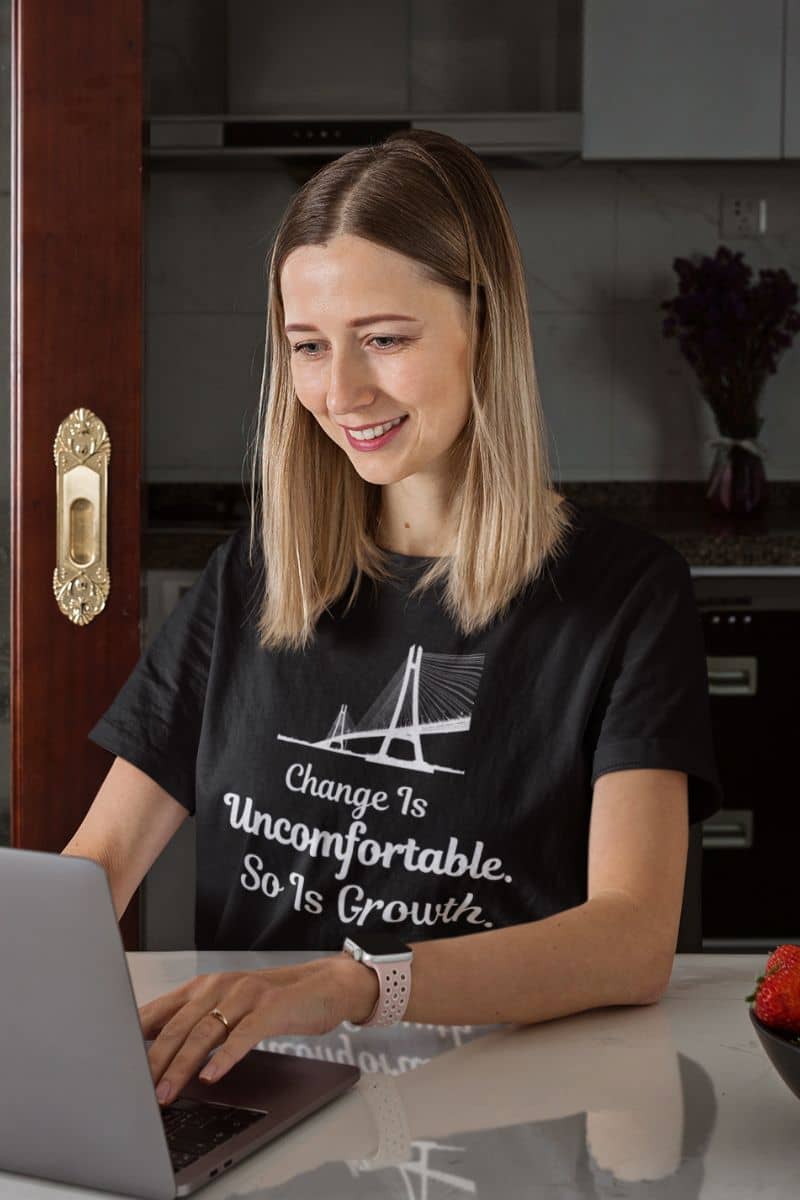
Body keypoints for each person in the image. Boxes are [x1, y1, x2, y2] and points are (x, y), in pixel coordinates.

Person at [62, 129, 722, 1107]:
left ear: (483, 329)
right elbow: (93, 871)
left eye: (384, 338)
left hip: (496, 1099)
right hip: (251, 1102)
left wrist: (354, 984)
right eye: (308, 347)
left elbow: (629, 939)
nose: (340, 393)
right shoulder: (248, 577)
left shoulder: (622, 594)